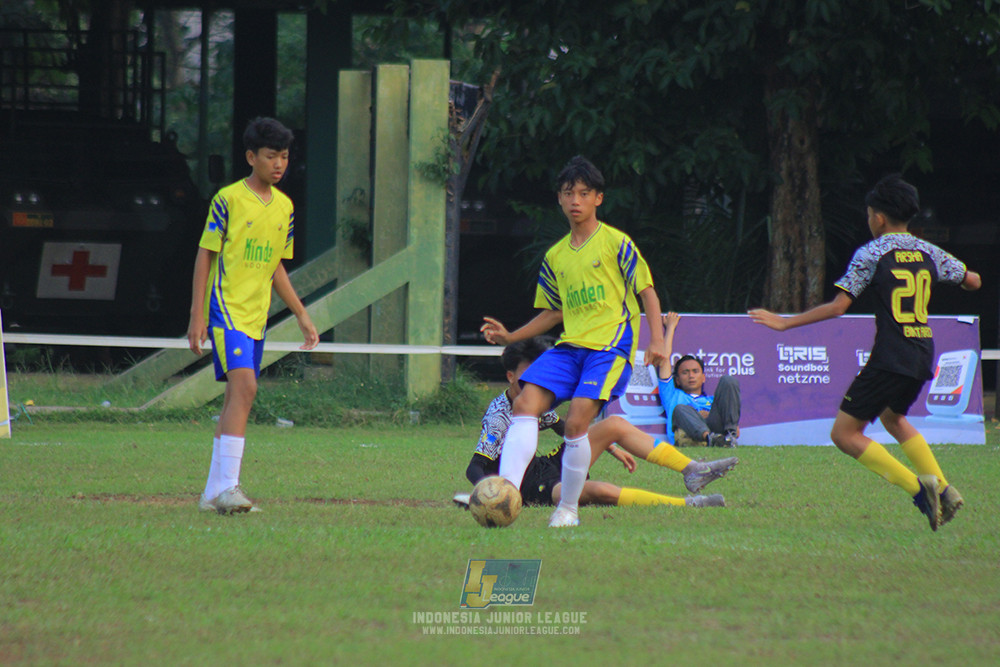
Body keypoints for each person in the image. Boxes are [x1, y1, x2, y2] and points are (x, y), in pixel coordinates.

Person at [749, 174, 981, 531]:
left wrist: (784, 323)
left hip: (891, 354)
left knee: (844, 434)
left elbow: (839, 306)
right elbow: (973, 281)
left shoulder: (873, 252)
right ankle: (945, 489)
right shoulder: (928, 251)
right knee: (894, 419)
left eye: (870, 214)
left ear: (880, 218)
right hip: (922, 351)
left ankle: (921, 492)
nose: (869, 220)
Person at [480, 155, 669, 527]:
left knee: (575, 423)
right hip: (571, 346)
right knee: (526, 403)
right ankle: (506, 495)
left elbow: (647, 292)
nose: (576, 200)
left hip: (609, 346)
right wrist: (511, 336)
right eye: (569, 193)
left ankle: (567, 509)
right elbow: (553, 312)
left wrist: (658, 339)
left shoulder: (616, 243)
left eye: (584, 193)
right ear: (560, 200)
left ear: (598, 198)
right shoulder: (555, 256)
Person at [187, 117, 319, 514]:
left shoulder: (285, 207)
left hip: (257, 316)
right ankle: (229, 487)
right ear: (251, 157)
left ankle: (212, 494)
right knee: (246, 389)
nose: (279, 164)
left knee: (234, 396)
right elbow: (205, 254)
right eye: (270, 156)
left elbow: (277, 267)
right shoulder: (228, 199)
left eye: (284, 156)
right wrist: (197, 316)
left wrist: (301, 314)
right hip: (226, 310)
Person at [456, 337, 738, 510]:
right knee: (595, 492)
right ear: (509, 377)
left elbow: (560, 424)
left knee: (613, 424)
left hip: (547, 465)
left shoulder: (533, 403)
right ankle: (687, 505)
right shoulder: (499, 415)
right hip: (529, 486)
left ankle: (692, 470)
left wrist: (611, 448)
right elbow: (476, 466)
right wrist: (493, 496)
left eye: (542, 372)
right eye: (530, 374)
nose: (539, 380)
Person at [655, 312, 741, 448]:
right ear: (677, 380)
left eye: (695, 371)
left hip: (716, 429)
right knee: (680, 409)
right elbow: (664, 360)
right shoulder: (673, 395)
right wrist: (670, 328)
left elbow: (738, 429)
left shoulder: (713, 401)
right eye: (685, 372)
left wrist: (709, 417)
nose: (691, 376)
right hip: (689, 434)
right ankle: (710, 438)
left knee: (728, 381)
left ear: (703, 377)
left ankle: (729, 440)